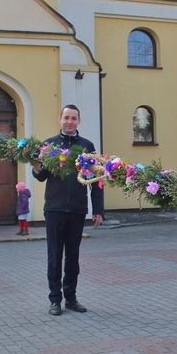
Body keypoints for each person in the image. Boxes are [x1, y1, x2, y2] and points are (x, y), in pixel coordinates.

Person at [33, 104, 104, 316]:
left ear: (79, 121)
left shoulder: (86, 146)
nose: (70, 121)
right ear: (60, 119)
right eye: (66, 117)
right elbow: (41, 175)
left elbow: (96, 179)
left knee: (73, 257)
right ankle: (55, 300)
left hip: (77, 209)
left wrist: (98, 209)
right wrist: (36, 166)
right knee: (54, 256)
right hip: (54, 208)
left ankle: (71, 298)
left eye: (74, 118)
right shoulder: (49, 145)